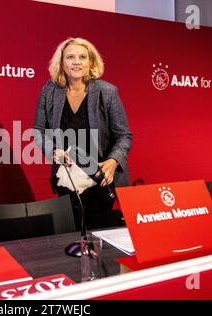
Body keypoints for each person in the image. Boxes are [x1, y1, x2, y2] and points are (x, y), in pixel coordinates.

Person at [34, 37, 132, 231]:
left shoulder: (107, 92)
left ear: (91, 62)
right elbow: (39, 131)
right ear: (62, 62)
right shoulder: (49, 91)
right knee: (70, 235)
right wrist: (53, 151)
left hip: (100, 178)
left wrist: (114, 161)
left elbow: (124, 135)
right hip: (66, 177)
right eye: (70, 57)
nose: (76, 61)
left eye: (82, 57)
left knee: (98, 237)